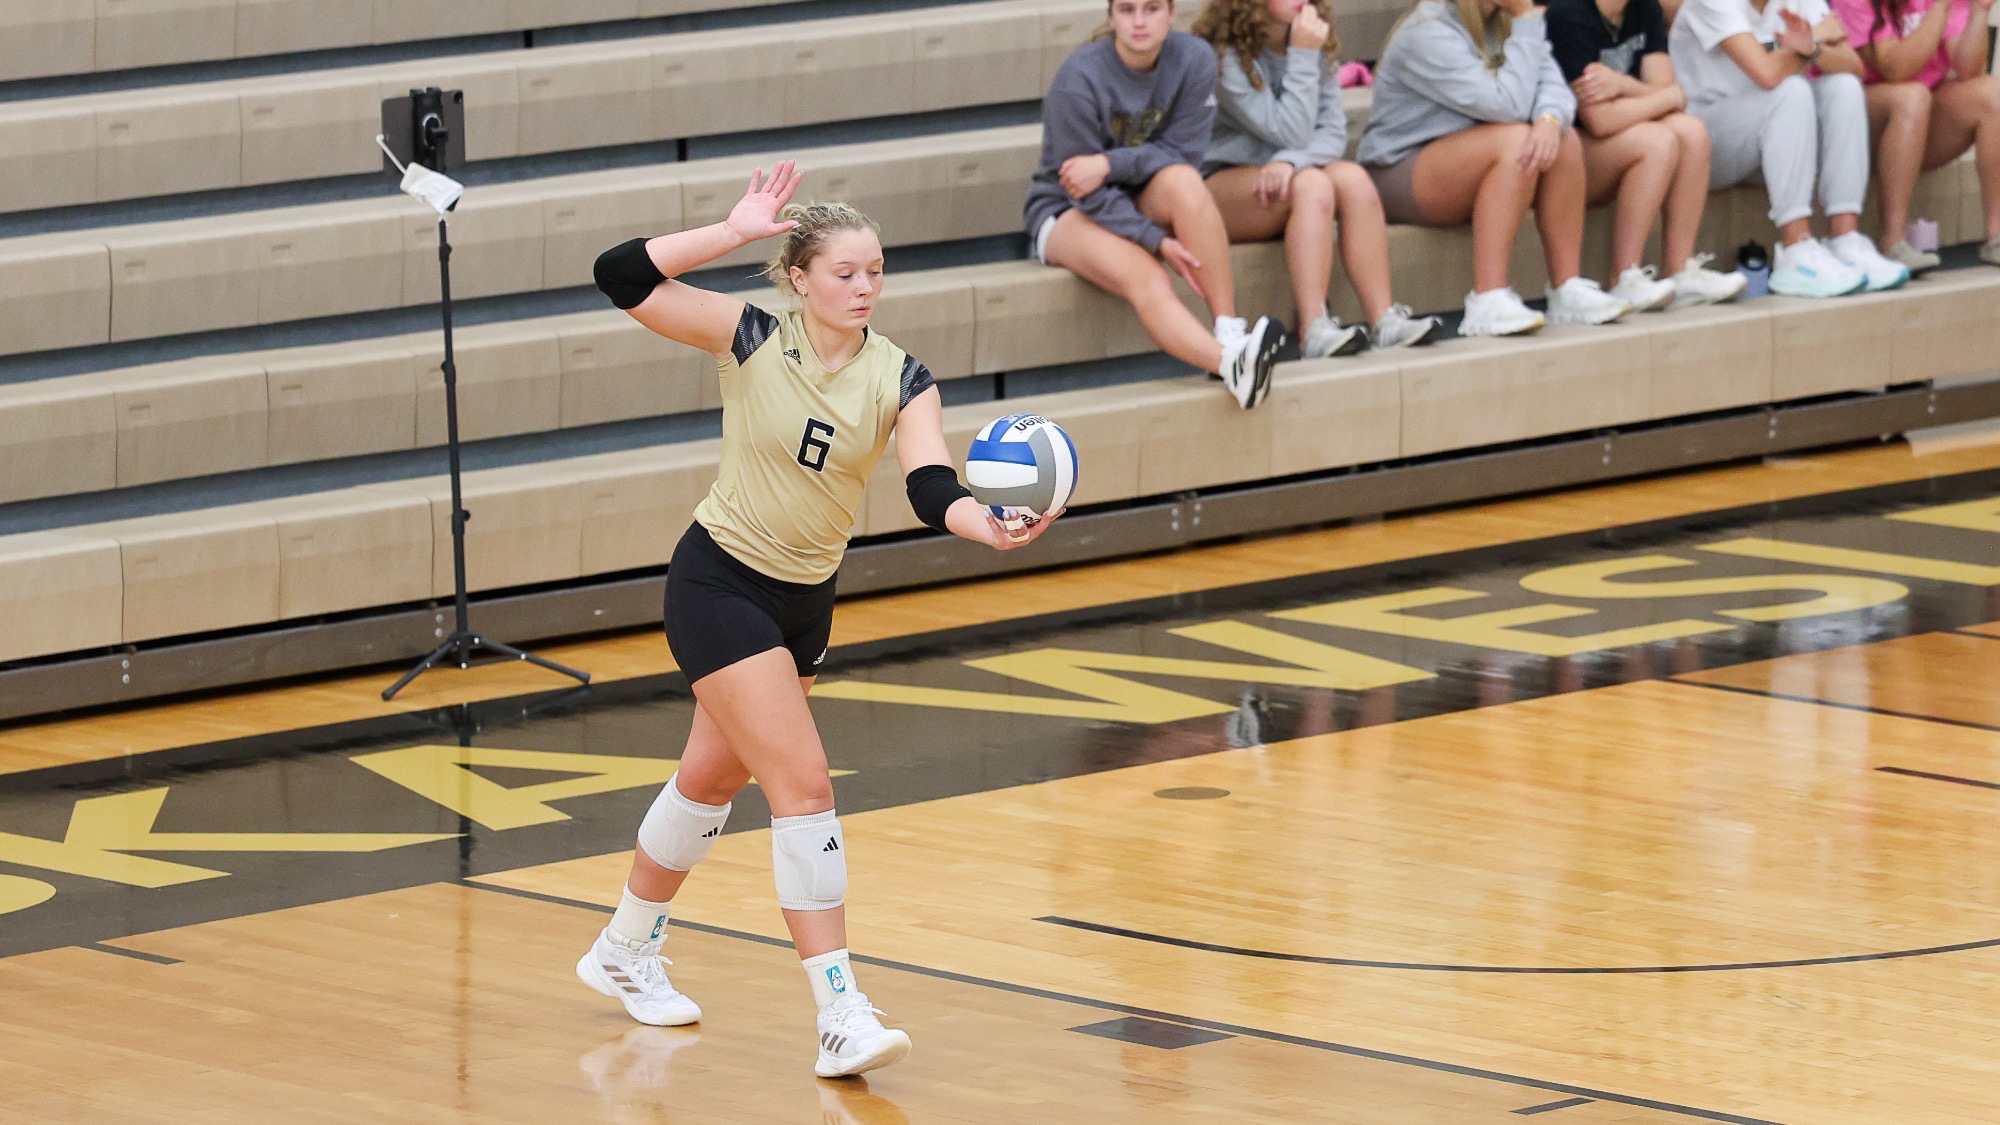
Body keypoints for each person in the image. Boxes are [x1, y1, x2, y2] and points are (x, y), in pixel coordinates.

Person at [579, 161, 1058, 1078]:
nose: (865, 286)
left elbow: (929, 483)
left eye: (875, 270)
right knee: (803, 787)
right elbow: (620, 275)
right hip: (719, 582)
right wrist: (730, 233)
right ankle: (840, 1010)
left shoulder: (901, 376)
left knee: (708, 782)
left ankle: (624, 945)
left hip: (805, 602)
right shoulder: (751, 334)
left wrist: (987, 524)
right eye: (845, 272)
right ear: (799, 277)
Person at [1026, 0, 1286, 408]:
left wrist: (1109, 163)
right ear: (1111, 16)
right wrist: (1155, 240)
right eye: (1127, 9)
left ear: (1171, 11)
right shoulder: (1078, 79)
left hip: (1137, 193)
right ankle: (1230, 365)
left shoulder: (1194, 59)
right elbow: (1081, 187)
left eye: (1151, 8)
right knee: (1147, 275)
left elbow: (1183, 155)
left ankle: (1229, 329)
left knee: (1185, 182)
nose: (1139, 21)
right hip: (1067, 210)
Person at [1358, 0, 1634, 337]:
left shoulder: (1507, 21)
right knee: (1518, 141)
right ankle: (1489, 298)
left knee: (1562, 138)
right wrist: (1527, 21)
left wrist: (1549, 118)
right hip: (1401, 170)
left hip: (1472, 157)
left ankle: (1567, 288)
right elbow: (1506, 105)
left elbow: (1555, 87)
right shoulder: (1428, 29)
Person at [1194, 0, 1445, 354]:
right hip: (1224, 185)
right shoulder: (1224, 54)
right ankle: (1313, 327)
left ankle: (1383, 318)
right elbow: (1288, 131)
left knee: (1353, 178)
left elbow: (1332, 132)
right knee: (1313, 184)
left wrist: (1291, 162)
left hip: (1286, 173)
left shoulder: (1313, 39)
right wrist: (1302, 55)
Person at [1670, 0, 1913, 294]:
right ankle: (1796, 248)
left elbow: (1852, 65)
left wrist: (1811, 48)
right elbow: (1767, 74)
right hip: (1712, 144)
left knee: (1844, 87)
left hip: (1777, 140)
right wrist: (1814, 39)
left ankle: (1846, 239)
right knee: (1790, 90)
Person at [1546, 0, 1752, 307]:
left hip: (1623, 132)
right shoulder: (1569, 14)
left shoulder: (1644, 8)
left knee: (1692, 133)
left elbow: (1664, 88)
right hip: (1571, 155)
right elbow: (1599, 120)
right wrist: (1668, 96)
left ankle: (1681, 271)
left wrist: (1623, 85)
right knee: (1657, 141)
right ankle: (1625, 276)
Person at [1832, 0, 2000, 269]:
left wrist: (1980, 11)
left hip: (1915, 119)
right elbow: (1896, 69)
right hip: (1849, 127)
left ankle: (1996, 237)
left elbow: (1968, 69)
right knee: (1911, 97)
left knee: (1992, 94)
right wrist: (1941, 6)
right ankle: (1894, 240)